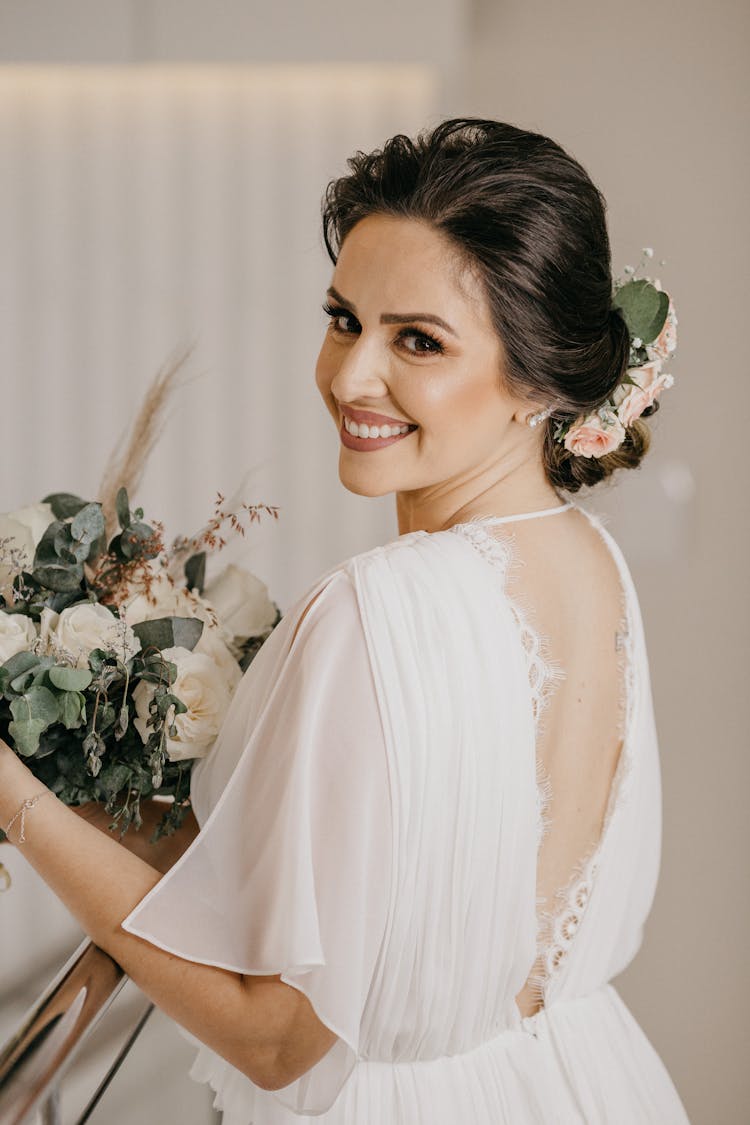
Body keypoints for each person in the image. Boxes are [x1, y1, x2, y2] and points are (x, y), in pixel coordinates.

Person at [0, 118, 690, 1123]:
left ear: (539, 379)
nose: (349, 377)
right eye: (342, 318)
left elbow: (276, 1040)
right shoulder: (593, 562)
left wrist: (14, 801)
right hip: (576, 1083)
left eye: (418, 340)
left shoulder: (379, 609)